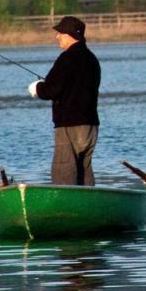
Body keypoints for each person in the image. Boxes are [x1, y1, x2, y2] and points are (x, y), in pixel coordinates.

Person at [27, 15, 101, 185]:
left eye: (60, 33)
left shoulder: (67, 58)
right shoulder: (92, 59)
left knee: (64, 169)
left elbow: (51, 90)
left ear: (69, 35)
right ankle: (88, 203)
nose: (57, 36)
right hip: (90, 126)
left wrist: (36, 88)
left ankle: (65, 206)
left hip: (69, 125)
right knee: (84, 168)